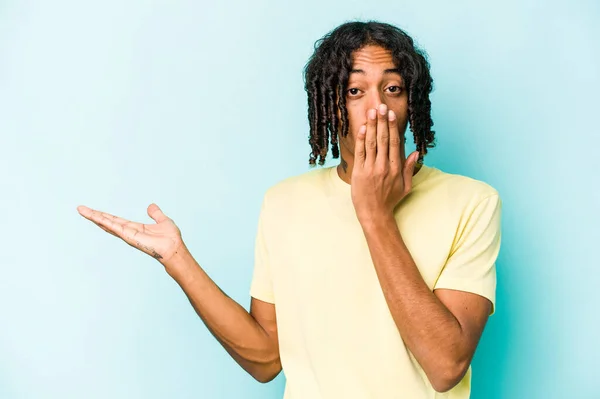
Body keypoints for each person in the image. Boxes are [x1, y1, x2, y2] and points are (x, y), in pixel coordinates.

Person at [77, 20, 502, 399]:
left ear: (413, 102)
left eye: (393, 88)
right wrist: (178, 260)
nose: (377, 108)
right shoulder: (284, 203)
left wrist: (374, 213)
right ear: (330, 105)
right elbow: (265, 359)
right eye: (355, 91)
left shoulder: (471, 202)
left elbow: (446, 366)